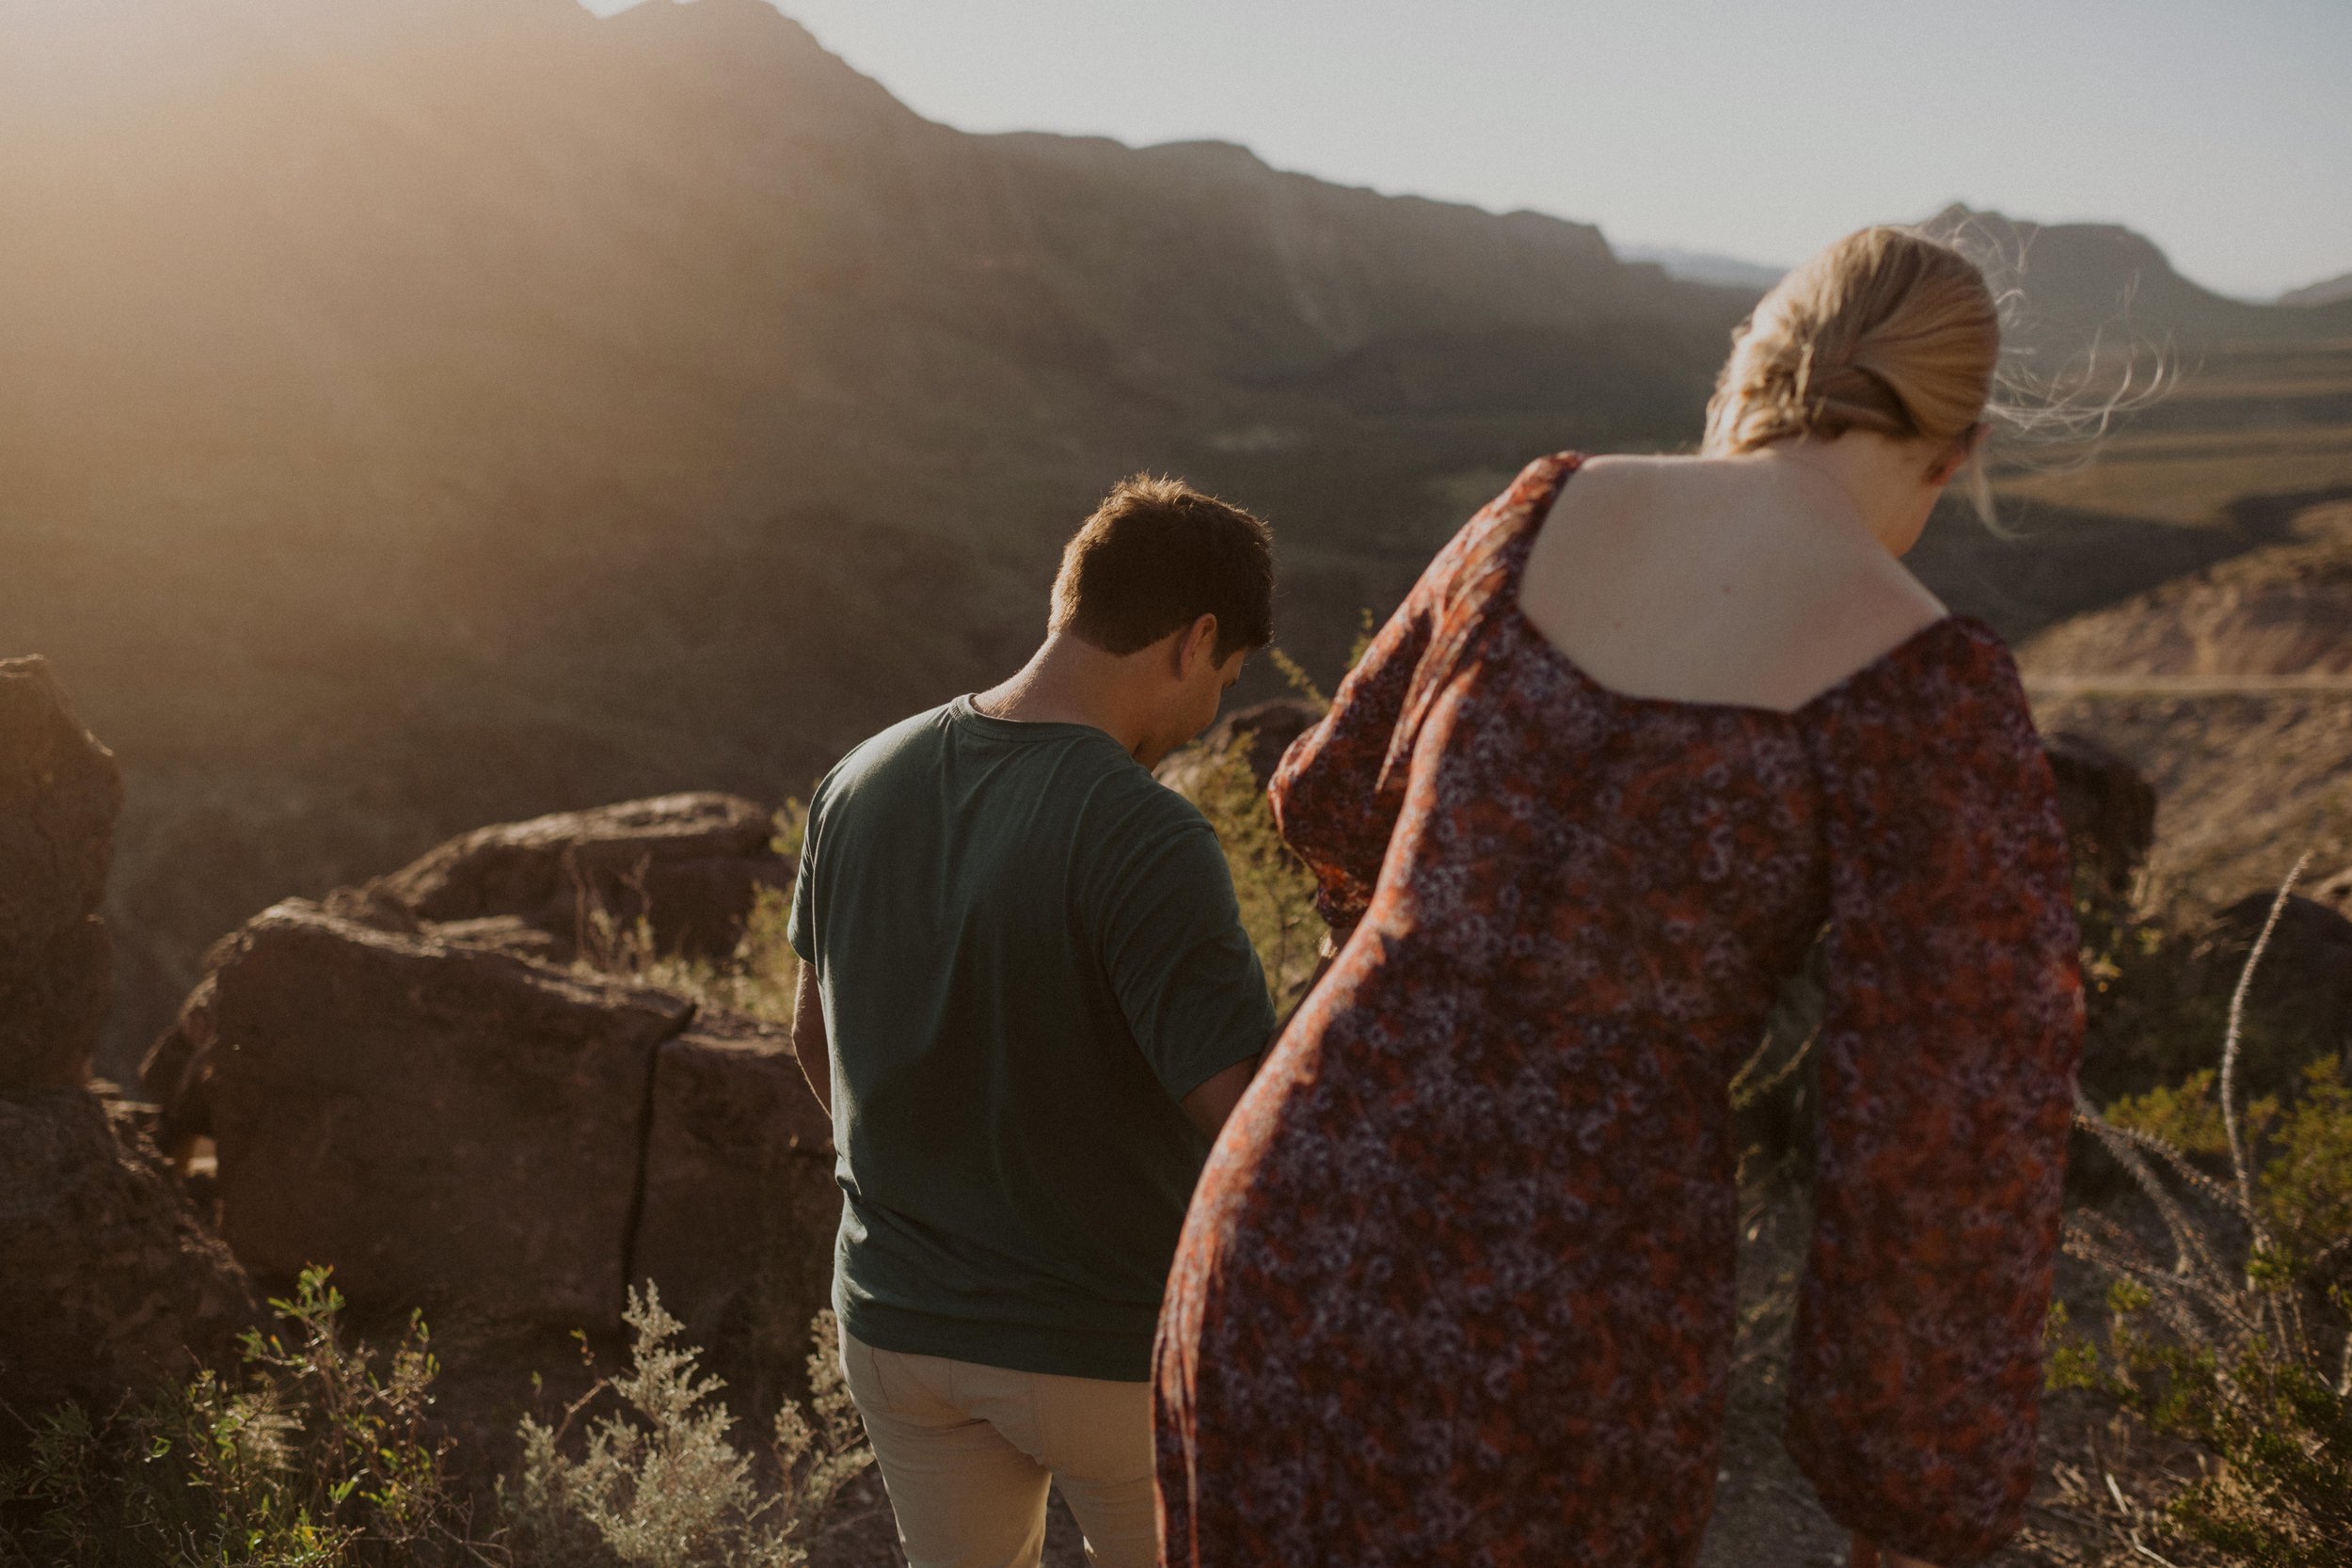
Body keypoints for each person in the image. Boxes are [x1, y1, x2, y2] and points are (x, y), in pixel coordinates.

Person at [1153, 228, 2086, 1568]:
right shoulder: (1926, 682)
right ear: (1958, 450)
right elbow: (1952, 1115)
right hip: (1573, 1285)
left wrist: (1433, 969)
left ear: (1750, 377)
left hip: (1294, 1196)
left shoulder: (1534, 508)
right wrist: (1912, 1481)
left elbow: (1332, 793)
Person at [787, 474, 1278, 1568]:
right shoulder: (1146, 833)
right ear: (1196, 640)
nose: (1210, 715)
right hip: (1107, 1342)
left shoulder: (856, 779)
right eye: (1228, 679)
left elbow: (814, 1041)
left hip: (897, 1323)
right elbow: (1244, 1114)